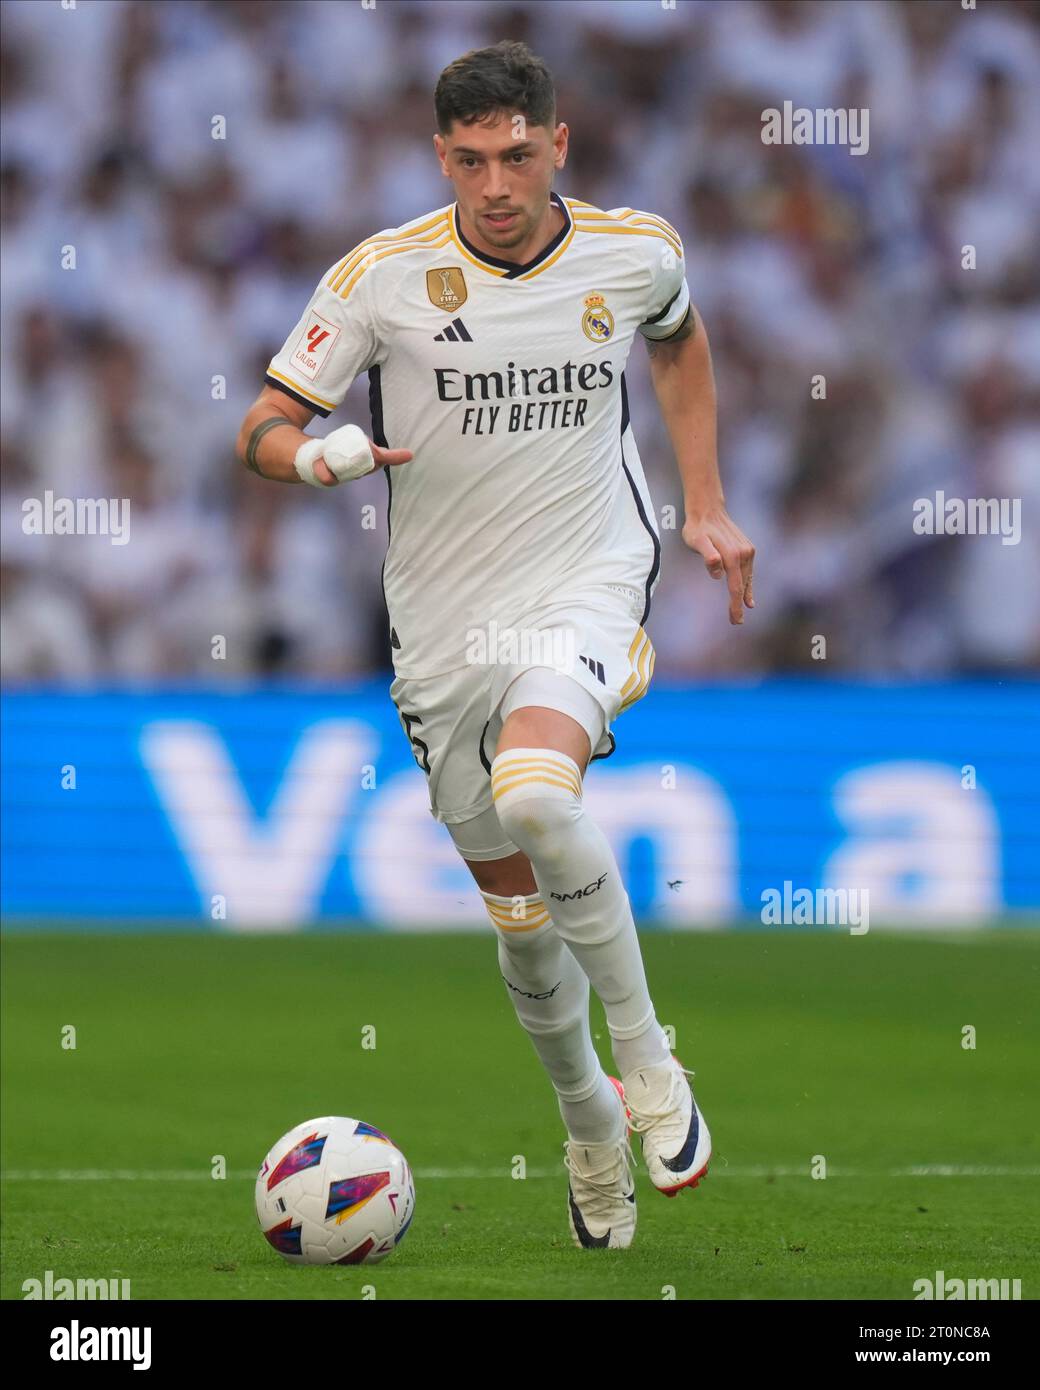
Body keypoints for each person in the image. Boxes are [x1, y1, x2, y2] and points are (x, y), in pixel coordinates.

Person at [235, 40, 754, 1250]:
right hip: (441, 624)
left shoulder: (634, 253)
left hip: (585, 575)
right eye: (470, 162)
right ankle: (585, 1123)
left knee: (535, 789)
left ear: (557, 145)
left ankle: (648, 1064)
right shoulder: (381, 279)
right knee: (518, 919)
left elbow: (675, 339)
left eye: (517, 156)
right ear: (441, 159)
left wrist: (709, 499)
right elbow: (262, 426)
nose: (497, 186)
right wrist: (316, 457)